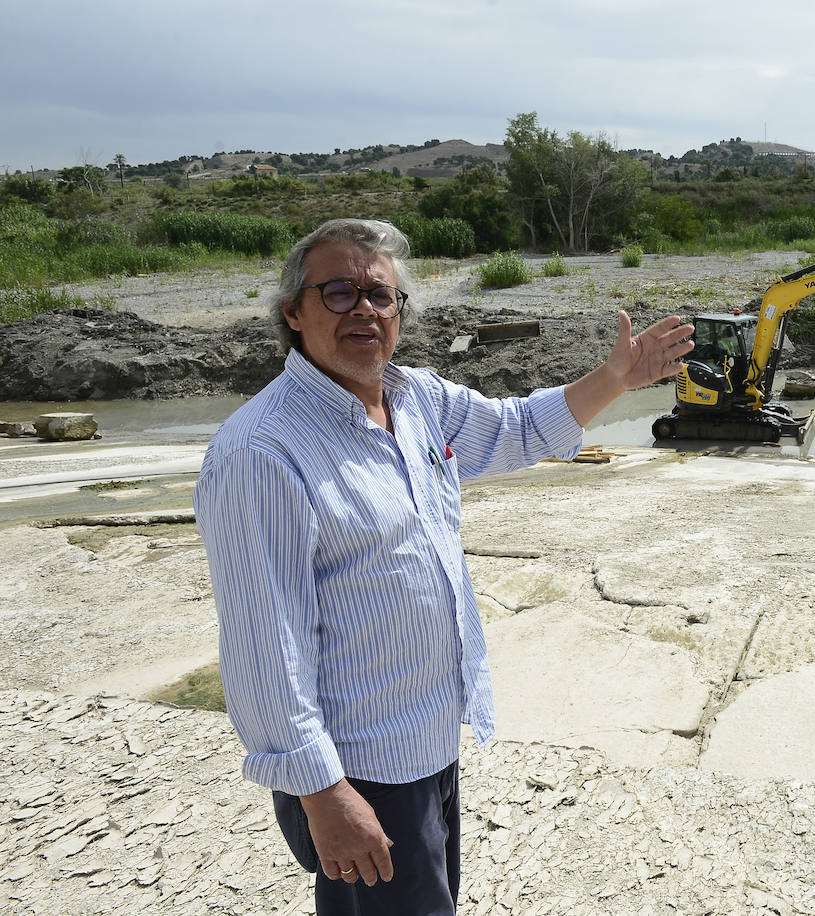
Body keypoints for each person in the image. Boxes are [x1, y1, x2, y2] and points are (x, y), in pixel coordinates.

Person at [193, 218, 694, 915]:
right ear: (293, 314)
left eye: (381, 295)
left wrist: (614, 379)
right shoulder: (261, 453)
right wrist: (323, 793)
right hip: (361, 766)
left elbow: (518, 429)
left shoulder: (416, 400)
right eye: (338, 293)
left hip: (428, 742)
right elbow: (263, 647)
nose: (365, 309)